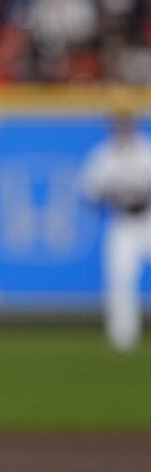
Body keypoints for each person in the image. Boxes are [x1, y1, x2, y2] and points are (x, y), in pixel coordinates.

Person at [81, 111, 151, 353]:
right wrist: (110, 196)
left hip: (148, 221)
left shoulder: (146, 151)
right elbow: (88, 192)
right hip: (121, 223)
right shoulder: (104, 155)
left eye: (126, 127)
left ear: (134, 127)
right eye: (118, 127)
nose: (122, 131)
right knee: (119, 280)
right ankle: (123, 340)